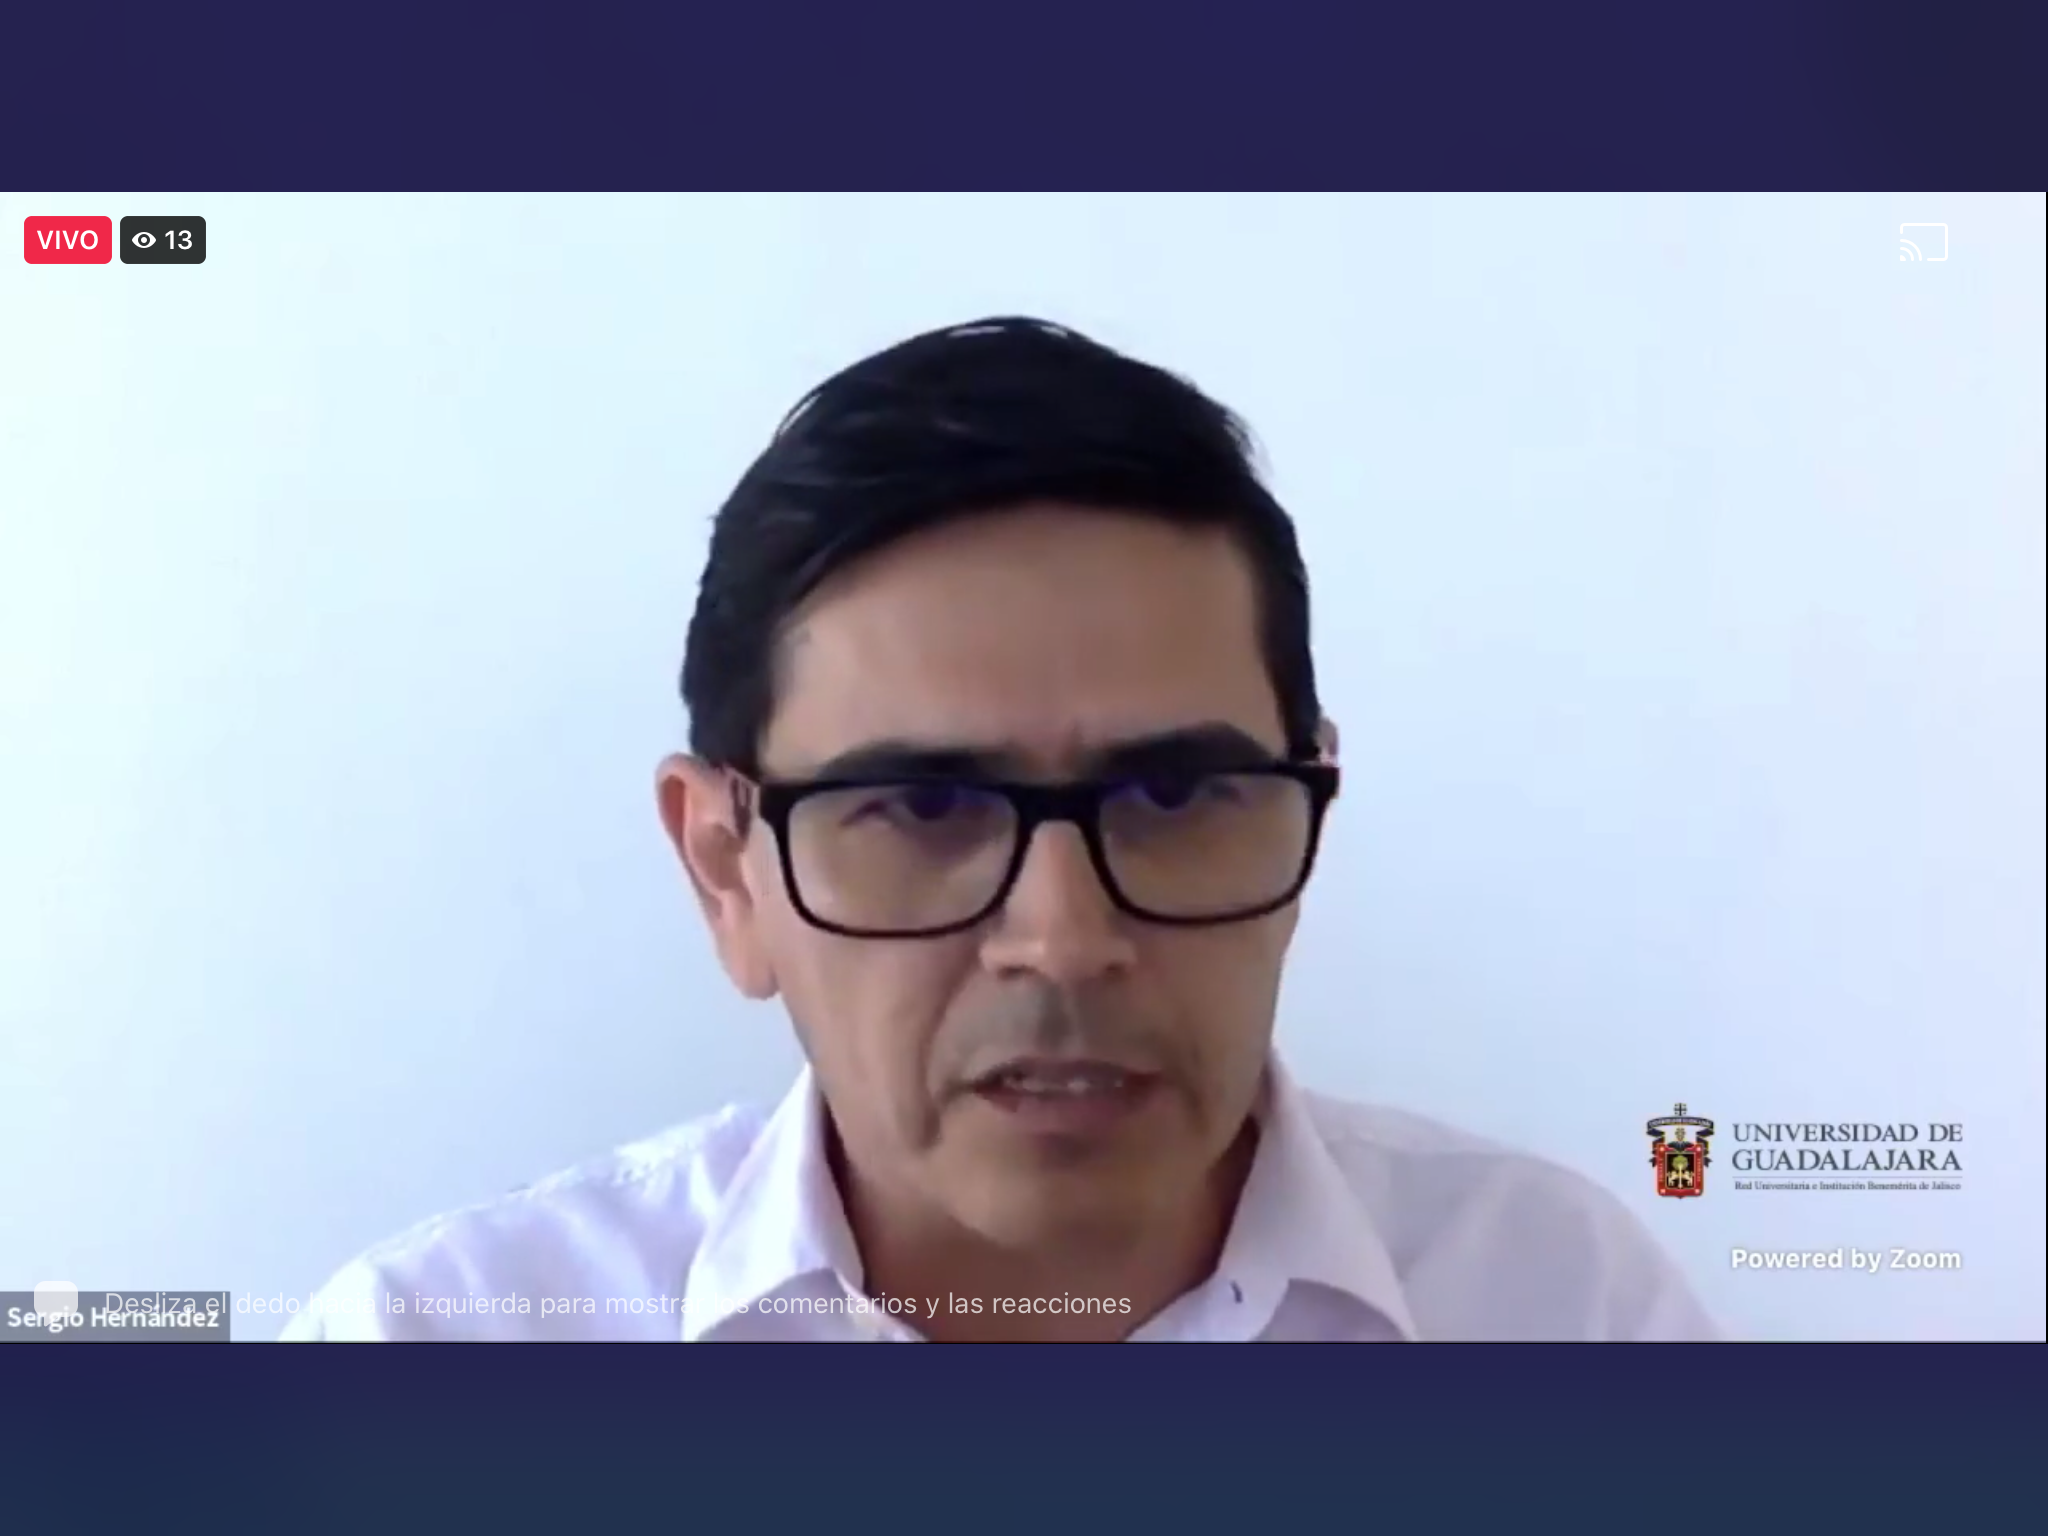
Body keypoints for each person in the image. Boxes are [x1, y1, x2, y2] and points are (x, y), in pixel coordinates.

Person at [286, 316, 1717, 1342]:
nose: (1064, 941)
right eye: (922, 806)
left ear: (1311, 820)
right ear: (727, 871)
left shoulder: (1564, 1313)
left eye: (1174, 798)